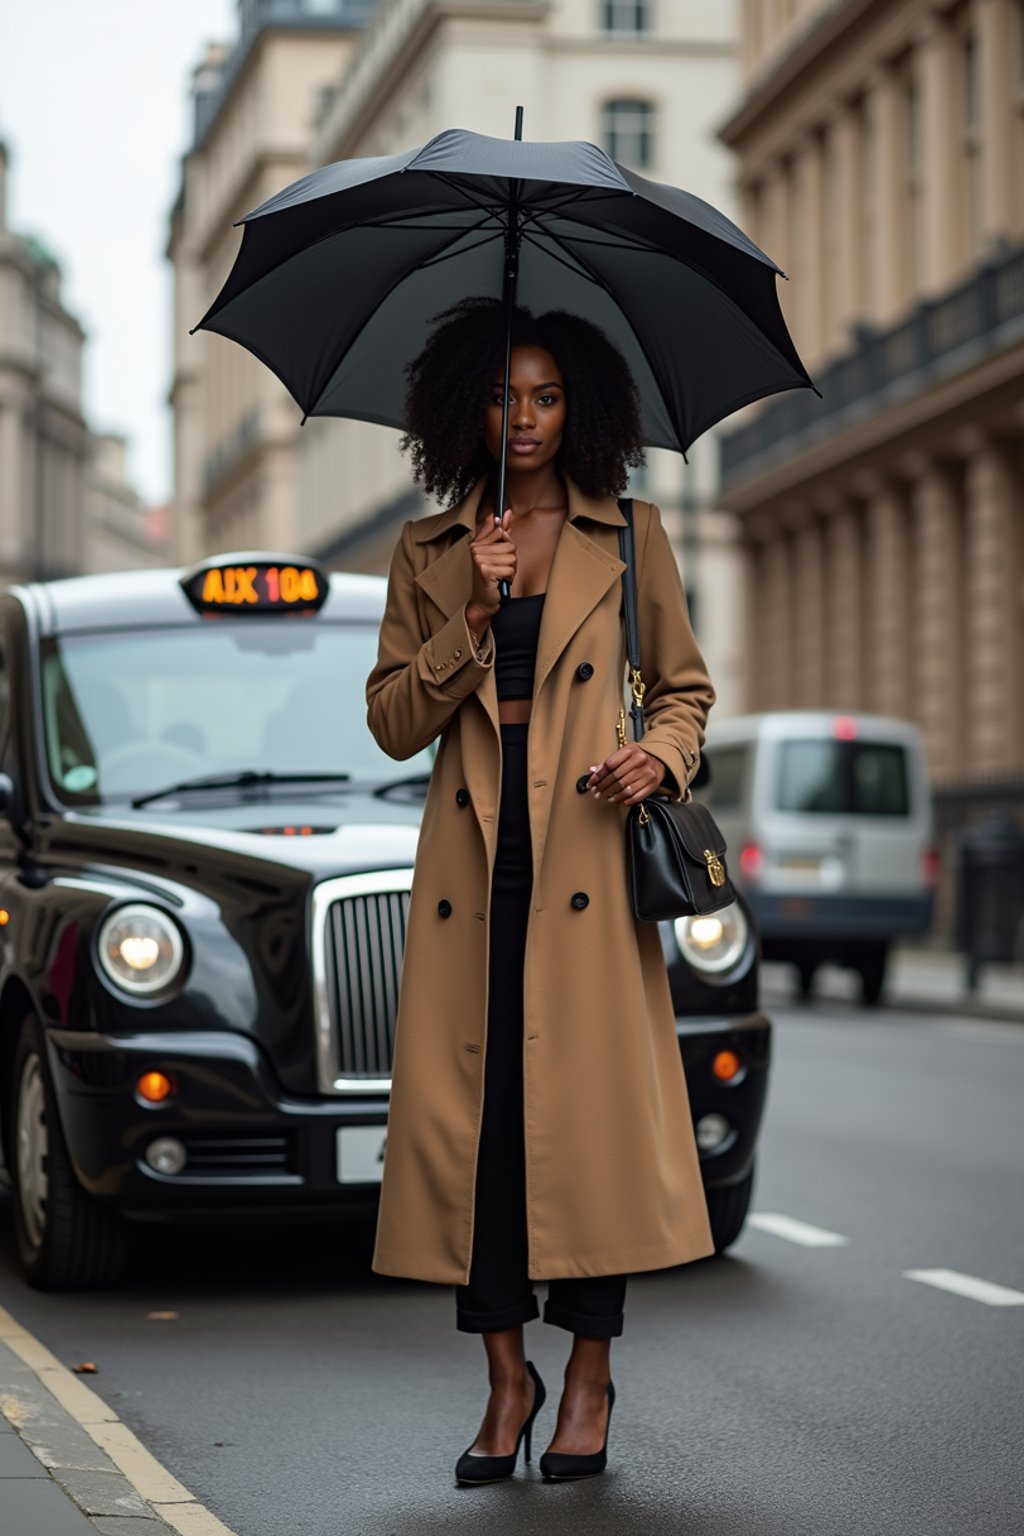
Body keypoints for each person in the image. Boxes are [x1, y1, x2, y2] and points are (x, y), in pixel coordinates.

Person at [366, 297, 717, 1484]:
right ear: (465, 406)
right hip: (476, 876)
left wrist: (656, 757)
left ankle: (588, 1376)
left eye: (547, 396)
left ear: (583, 410)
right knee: (489, 1140)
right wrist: (469, 617)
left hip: (587, 868)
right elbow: (390, 723)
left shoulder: (630, 538)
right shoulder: (427, 550)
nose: (523, 418)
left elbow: (684, 692)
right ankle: (505, 1377)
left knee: (587, 1134)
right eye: (504, 396)